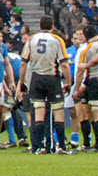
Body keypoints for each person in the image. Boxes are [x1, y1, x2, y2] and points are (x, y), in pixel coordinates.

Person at [20, 16, 69, 155]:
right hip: (51, 78)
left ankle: (39, 146)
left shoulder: (31, 39)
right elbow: (64, 64)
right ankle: (60, 146)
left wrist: (22, 82)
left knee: (39, 113)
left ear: (40, 26)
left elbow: (24, 63)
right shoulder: (57, 40)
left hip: (36, 79)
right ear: (52, 26)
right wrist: (69, 83)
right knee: (58, 112)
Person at [74, 25, 98, 151]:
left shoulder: (86, 50)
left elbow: (81, 70)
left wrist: (77, 87)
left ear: (85, 35)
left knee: (94, 114)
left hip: (94, 80)